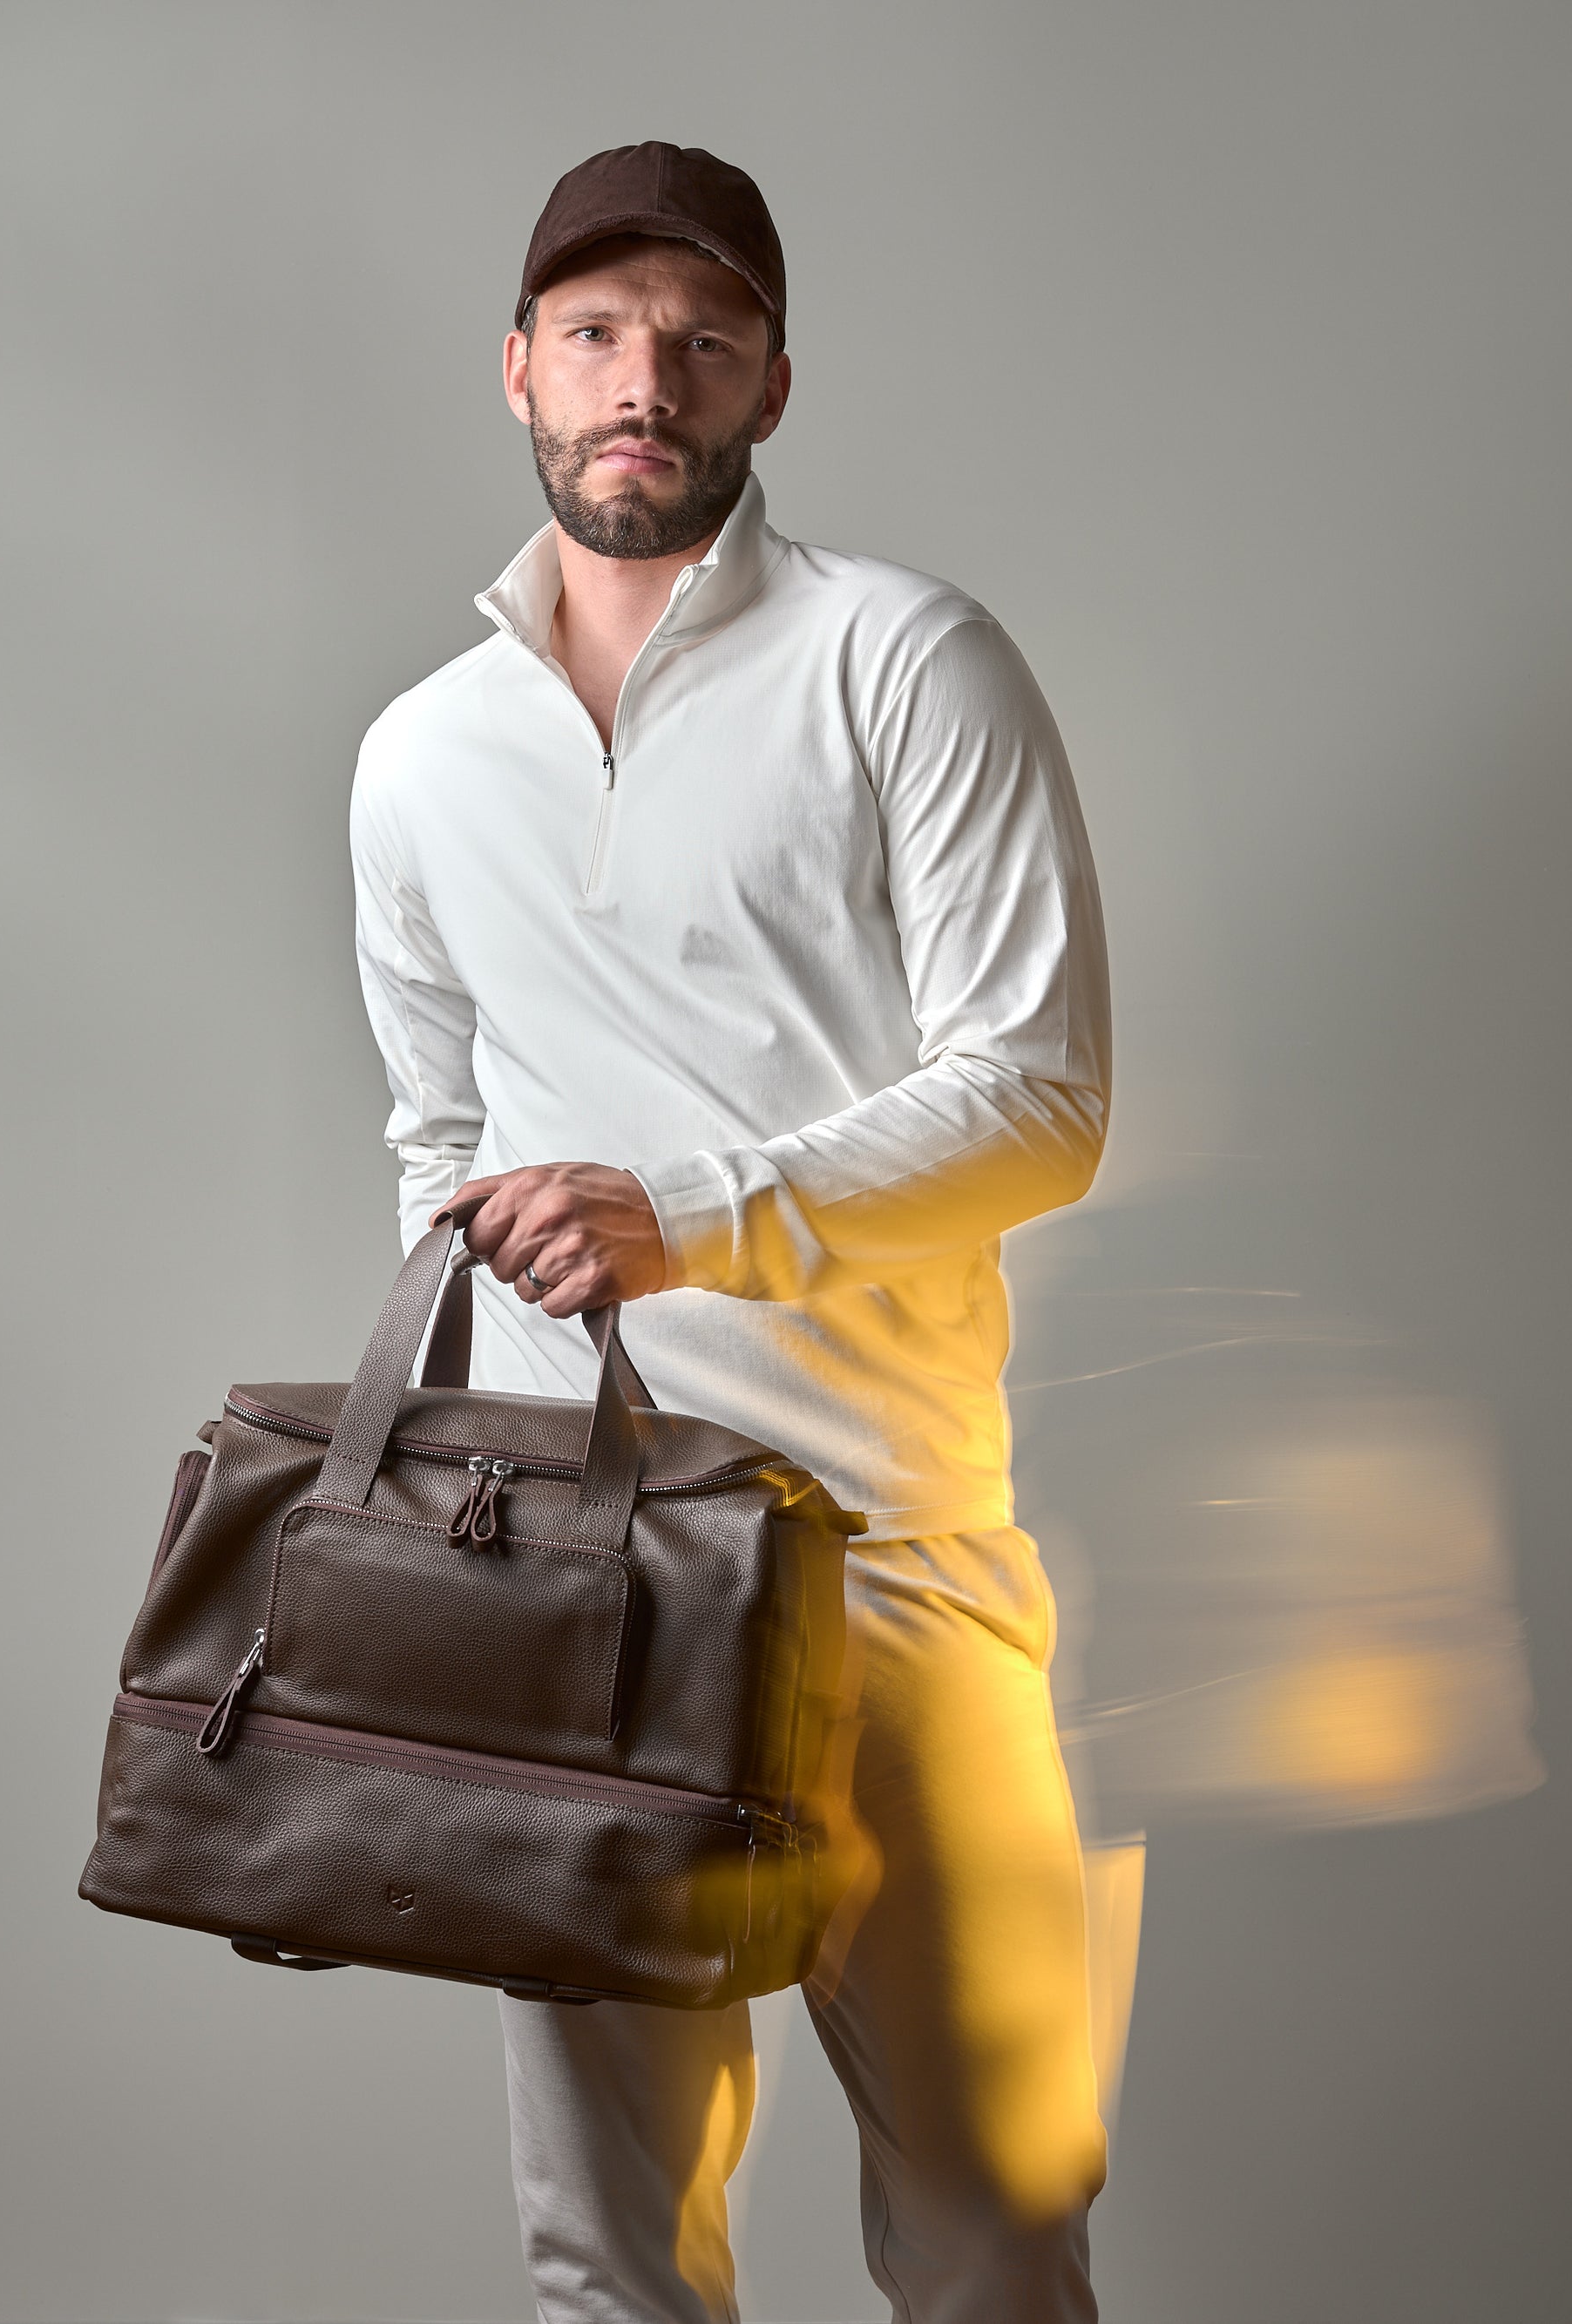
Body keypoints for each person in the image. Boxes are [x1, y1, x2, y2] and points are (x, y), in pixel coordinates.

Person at [349, 139, 1117, 2324]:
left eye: (701, 339)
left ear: (773, 383)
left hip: (891, 1554)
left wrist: (686, 1216)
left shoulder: (906, 661)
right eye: (595, 332)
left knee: (993, 2226)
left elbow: (1041, 1099)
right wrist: (469, 1508)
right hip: (575, 1579)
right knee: (609, 2258)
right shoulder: (417, 757)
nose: (642, 379)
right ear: (517, 368)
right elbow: (437, 1141)